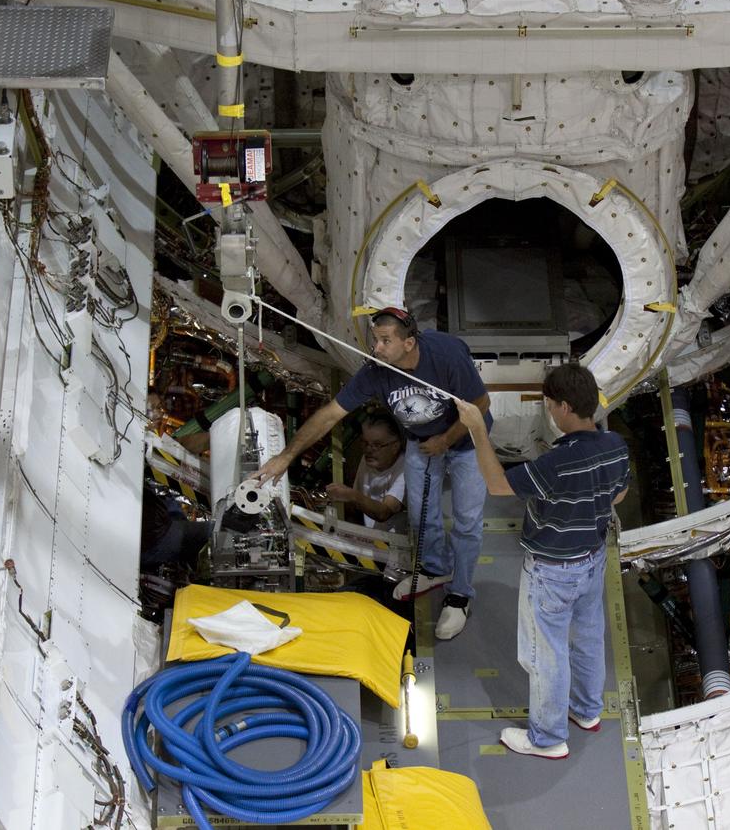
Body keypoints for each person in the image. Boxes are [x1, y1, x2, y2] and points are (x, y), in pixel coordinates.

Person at [254, 307, 492, 640]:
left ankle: (461, 594)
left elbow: (481, 403)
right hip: (422, 441)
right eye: (374, 341)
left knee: (467, 522)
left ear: (409, 343)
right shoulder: (375, 372)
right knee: (423, 516)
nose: (375, 349)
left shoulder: (445, 354)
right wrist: (285, 457)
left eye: (384, 341)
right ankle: (437, 569)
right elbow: (329, 416)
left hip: (465, 440)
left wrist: (445, 440)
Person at [456, 364, 630, 759]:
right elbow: (618, 496)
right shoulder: (616, 444)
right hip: (592, 557)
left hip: (552, 570)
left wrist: (477, 429)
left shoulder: (556, 464)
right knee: (587, 636)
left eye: (550, 405)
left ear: (566, 407)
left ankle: (547, 739)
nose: (548, 412)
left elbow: (498, 485)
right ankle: (586, 711)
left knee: (544, 654)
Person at [325, 408, 408, 533]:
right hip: (372, 539)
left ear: (395, 446)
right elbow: (357, 506)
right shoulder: (368, 459)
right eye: (365, 443)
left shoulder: (405, 470)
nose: (368, 450)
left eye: (377, 445)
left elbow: (384, 512)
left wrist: (351, 495)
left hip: (396, 545)